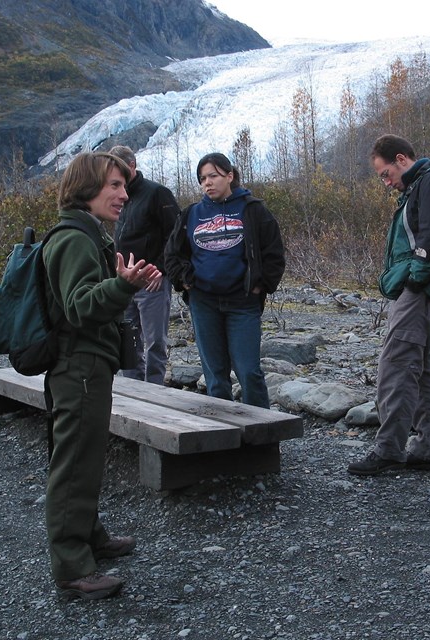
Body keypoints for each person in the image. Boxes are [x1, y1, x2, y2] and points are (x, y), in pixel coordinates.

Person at [43, 152, 161, 599]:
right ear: (88, 187)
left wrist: (123, 281)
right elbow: (80, 307)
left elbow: (91, 296)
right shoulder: (74, 238)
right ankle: (72, 569)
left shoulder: (88, 233)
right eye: (114, 185)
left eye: (124, 185)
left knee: (86, 455)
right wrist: (124, 285)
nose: (123, 194)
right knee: (74, 462)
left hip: (88, 365)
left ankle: (90, 535)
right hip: (80, 366)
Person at [348, 135, 430, 476]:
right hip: (423, 289)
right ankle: (428, 448)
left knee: (395, 365)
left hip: (423, 290)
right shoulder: (419, 187)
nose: (386, 182)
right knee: (421, 369)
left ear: (401, 159)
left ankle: (389, 449)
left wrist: (414, 279)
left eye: (385, 174)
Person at [164, 152, 285, 408]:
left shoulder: (253, 210)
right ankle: (224, 440)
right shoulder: (191, 215)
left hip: (243, 303)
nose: (207, 182)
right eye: (202, 178)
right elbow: (172, 255)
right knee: (215, 377)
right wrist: (185, 281)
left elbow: (274, 253)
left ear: (229, 176)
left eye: (213, 176)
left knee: (248, 371)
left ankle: (262, 438)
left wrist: (260, 286)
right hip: (204, 302)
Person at [109, 145, 180, 385]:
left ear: (132, 166)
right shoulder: (118, 197)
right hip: (125, 281)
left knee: (154, 342)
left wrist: (162, 269)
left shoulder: (157, 193)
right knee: (128, 339)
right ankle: (133, 391)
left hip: (151, 281)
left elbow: (176, 234)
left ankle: (155, 392)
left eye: (118, 167)